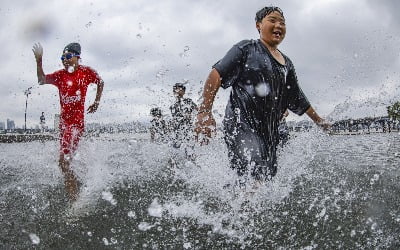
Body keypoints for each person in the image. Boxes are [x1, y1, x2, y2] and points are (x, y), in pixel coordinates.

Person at [195, 6, 330, 183]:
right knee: (254, 172)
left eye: (282, 23)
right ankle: (242, 207)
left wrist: (319, 121)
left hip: (268, 130)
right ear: (258, 25)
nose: (278, 26)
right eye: (272, 20)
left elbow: (297, 97)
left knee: (266, 177)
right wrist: (204, 112)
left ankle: (236, 204)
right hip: (241, 125)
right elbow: (216, 74)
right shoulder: (246, 48)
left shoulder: (287, 63)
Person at [32, 42, 104, 201]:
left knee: (63, 163)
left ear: (78, 57)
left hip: (76, 125)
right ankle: (75, 186)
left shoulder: (86, 72)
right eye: (63, 57)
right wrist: (39, 61)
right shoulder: (60, 75)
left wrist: (96, 102)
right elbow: (41, 80)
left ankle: (74, 199)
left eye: (69, 56)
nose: (65, 60)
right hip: (63, 126)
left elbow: (101, 82)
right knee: (66, 162)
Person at [169, 82, 197, 148]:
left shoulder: (188, 101)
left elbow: (197, 110)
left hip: (188, 129)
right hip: (177, 131)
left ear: (184, 92)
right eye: (175, 89)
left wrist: (190, 115)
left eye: (180, 89)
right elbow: (174, 118)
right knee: (176, 149)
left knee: (189, 149)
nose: (177, 91)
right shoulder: (173, 106)